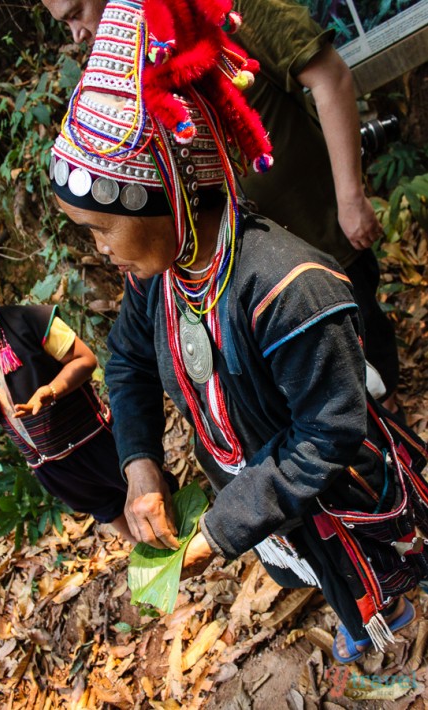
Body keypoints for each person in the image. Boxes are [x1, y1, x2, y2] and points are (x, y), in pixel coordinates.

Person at [48, 0, 428, 663]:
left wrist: (222, 529)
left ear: (168, 191)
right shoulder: (162, 281)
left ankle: (388, 605)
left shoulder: (287, 285)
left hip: (334, 489)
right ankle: (369, 611)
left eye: (100, 228)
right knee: (321, 569)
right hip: (269, 501)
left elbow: (328, 432)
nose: (99, 249)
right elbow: (126, 362)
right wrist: (140, 468)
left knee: (373, 558)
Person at [41, 0, 400, 412]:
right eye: (64, 23)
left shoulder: (223, 8)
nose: (76, 34)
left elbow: (329, 77)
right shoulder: (120, 69)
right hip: (230, 269)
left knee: (369, 388)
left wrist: (350, 195)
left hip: (315, 235)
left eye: (76, 13)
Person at [0, 263, 162, 540]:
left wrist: (51, 390)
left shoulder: (27, 321)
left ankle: (191, 530)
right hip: (48, 465)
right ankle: (147, 553)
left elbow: (85, 360)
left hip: (92, 438)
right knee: (105, 508)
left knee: (148, 488)